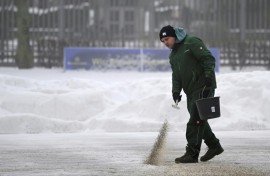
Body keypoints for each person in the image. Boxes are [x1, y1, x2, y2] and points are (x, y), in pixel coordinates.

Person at [159, 25, 224, 163]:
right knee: (200, 119)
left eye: (167, 39)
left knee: (195, 120)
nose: (165, 43)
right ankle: (214, 146)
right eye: (163, 40)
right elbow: (176, 76)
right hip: (191, 91)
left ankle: (192, 153)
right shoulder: (173, 55)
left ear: (174, 36)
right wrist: (176, 91)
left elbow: (208, 59)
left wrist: (208, 77)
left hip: (203, 86)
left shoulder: (191, 42)